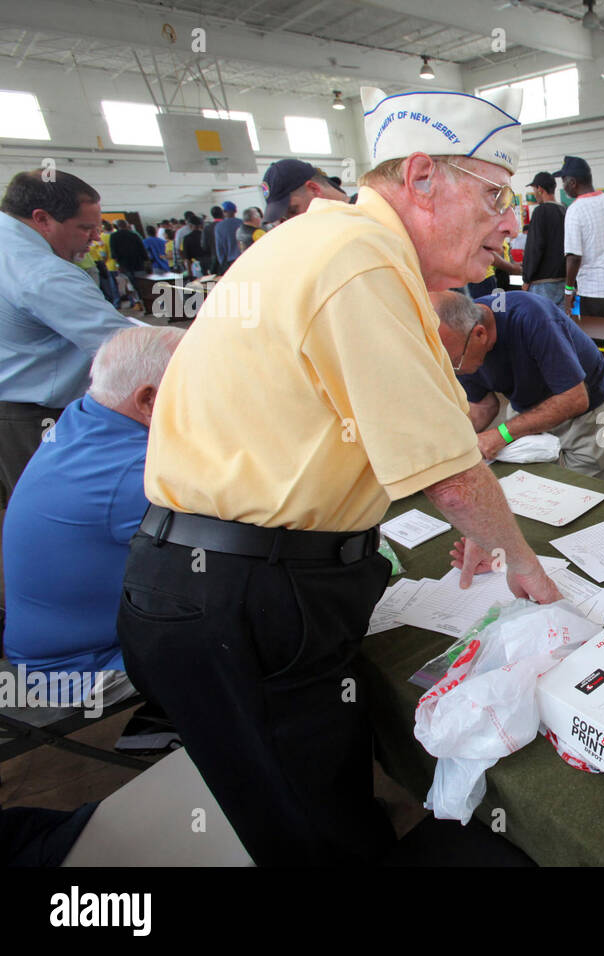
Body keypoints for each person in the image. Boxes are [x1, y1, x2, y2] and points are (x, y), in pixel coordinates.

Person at [115, 84, 561, 866]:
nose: (509, 222)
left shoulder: (335, 246)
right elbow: (453, 476)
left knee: (311, 795)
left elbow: (395, 438)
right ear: (421, 177)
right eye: (494, 194)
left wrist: (474, 525)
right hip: (240, 596)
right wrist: (520, 561)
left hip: (225, 582)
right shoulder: (359, 262)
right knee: (316, 835)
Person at [4, 326, 182, 688]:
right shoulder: (136, 474)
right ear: (148, 400)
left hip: (39, 649)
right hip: (81, 671)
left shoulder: (82, 418)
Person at [0, 172, 135, 508]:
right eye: (85, 228)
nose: (95, 238)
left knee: (20, 504)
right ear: (42, 219)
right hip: (31, 415)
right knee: (53, 508)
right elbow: (122, 344)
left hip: (12, 403)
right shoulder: (42, 271)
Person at [431, 289, 604, 481]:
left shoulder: (531, 317)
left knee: (584, 490)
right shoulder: (457, 341)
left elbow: (575, 399)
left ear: (480, 334)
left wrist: (502, 433)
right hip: (527, 405)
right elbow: (483, 406)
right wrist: (453, 447)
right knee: (529, 485)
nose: (456, 370)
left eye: (456, 363)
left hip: (586, 415)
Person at [557, 155, 604, 323]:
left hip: (593, 293)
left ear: (572, 182)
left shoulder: (575, 210)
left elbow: (574, 257)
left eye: (563, 182)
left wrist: (568, 291)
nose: (563, 187)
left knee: (596, 343)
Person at [522, 171, 567, 306]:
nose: (534, 193)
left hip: (543, 283)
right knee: (560, 322)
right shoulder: (565, 210)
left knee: (542, 323)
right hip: (564, 279)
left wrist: (526, 278)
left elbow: (535, 247)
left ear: (540, 189)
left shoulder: (541, 212)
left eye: (534, 189)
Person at [260, 158, 349, 225]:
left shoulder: (360, 220)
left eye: (293, 211)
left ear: (314, 189)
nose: (292, 223)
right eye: (284, 220)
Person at [213, 201, 242, 273]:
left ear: (224, 212)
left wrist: (222, 262)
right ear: (235, 211)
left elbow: (219, 247)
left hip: (230, 261)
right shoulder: (242, 222)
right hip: (244, 257)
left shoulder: (219, 226)